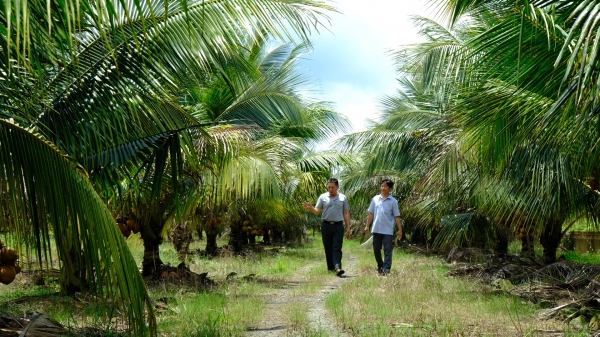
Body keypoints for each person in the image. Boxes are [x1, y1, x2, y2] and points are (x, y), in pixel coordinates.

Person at [303, 178, 351, 277]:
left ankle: (338, 267)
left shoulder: (343, 198)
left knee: (337, 247)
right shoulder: (323, 197)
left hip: (338, 225)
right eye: (329, 187)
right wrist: (311, 207)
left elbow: (346, 213)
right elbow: (317, 211)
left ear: (337, 187)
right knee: (328, 248)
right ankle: (331, 268)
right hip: (326, 225)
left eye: (332, 187)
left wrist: (348, 227)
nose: (330, 189)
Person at [364, 179, 402, 275]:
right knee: (376, 249)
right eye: (382, 186)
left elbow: (396, 216)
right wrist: (367, 226)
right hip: (376, 228)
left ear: (390, 189)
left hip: (387, 230)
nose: (383, 188)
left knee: (387, 250)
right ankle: (380, 266)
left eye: (385, 186)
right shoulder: (375, 199)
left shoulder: (393, 201)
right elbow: (371, 213)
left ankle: (386, 269)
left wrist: (400, 229)